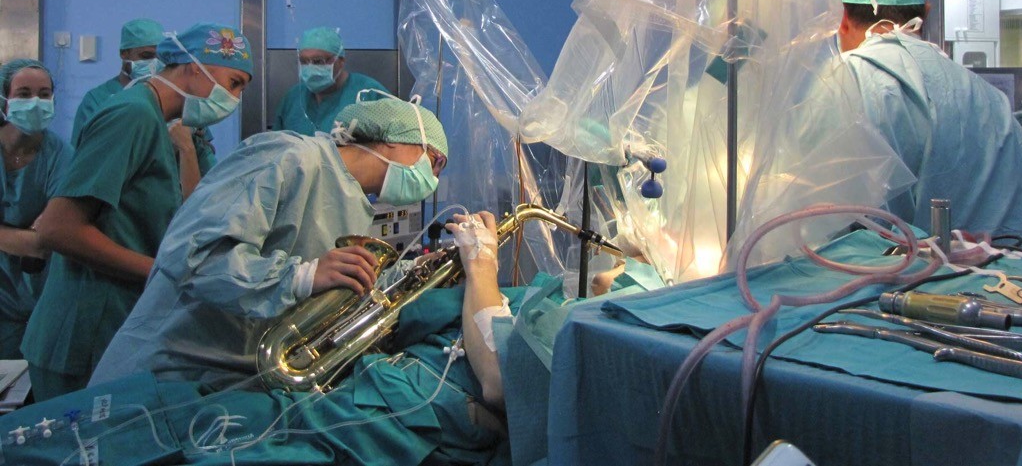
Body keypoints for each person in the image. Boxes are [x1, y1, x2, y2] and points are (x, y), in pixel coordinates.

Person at [0, 208, 657, 466]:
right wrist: (423, 279)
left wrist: (482, 265)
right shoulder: (548, 298)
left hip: (386, 429)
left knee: (212, 450)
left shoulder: (594, 339)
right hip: (337, 398)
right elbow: (420, 321)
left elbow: (499, 380)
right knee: (174, 413)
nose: (606, 271)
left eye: (619, 274)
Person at [90, 91, 449, 389]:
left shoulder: (353, 203)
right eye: (434, 162)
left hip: (230, 381)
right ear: (394, 137)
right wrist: (302, 276)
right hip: (163, 373)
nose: (432, 179)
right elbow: (195, 258)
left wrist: (424, 268)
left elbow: (334, 282)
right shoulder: (290, 157)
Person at [21, 23, 253, 400]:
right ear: (193, 67)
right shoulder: (133, 114)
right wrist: (161, 273)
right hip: (84, 331)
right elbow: (57, 228)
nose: (235, 98)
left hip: (114, 322)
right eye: (234, 83)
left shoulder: (160, 122)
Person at [834, 0, 1022, 234]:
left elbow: (810, 221)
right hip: (992, 264)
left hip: (866, 264)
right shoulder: (992, 101)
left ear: (841, 18)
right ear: (926, 11)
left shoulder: (837, 85)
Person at [71, 17, 217, 179]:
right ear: (124, 53)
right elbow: (83, 161)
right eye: (146, 55)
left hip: (176, 189)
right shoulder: (98, 100)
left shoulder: (180, 99)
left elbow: (207, 164)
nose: (155, 63)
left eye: (161, 57)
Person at [0, 60, 73, 358]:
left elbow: (47, 240)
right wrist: (27, 236)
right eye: (24, 93)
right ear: (4, 99)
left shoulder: (60, 155)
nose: (35, 102)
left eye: (44, 94)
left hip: (40, 292)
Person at [273, 26, 387, 135]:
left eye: (318, 61)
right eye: (303, 61)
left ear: (341, 60)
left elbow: (394, 140)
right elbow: (277, 143)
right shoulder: (293, 99)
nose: (310, 67)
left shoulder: (369, 94)